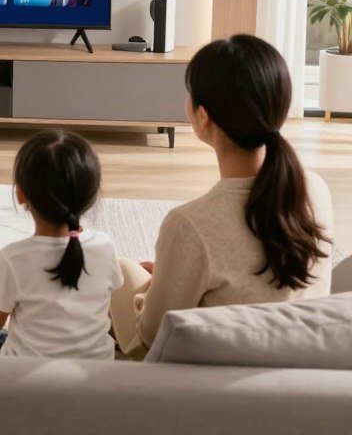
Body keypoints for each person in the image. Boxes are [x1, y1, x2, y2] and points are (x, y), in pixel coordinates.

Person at [110, 35, 334, 359]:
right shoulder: (315, 190)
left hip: (205, 380)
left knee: (117, 269)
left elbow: (150, 336)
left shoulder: (190, 225)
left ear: (203, 116)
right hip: (296, 361)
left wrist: (151, 289)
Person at [0, 129, 123, 358]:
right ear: (92, 194)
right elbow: (104, 310)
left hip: (21, 373)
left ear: (20, 194)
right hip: (93, 370)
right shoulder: (105, 246)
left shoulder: (14, 257)